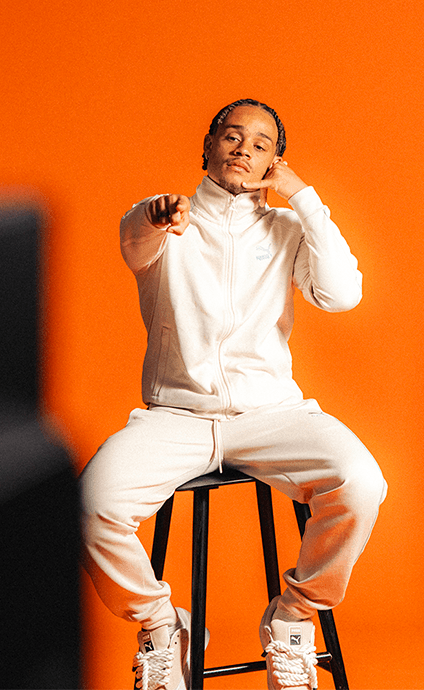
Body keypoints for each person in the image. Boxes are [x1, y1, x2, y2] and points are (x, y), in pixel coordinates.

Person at [80, 98, 387, 690]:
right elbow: (135, 236)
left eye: (261, 144)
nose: (244, 148)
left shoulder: (289, 230)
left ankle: (294, 618)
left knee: (361, 483)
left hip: (271, 414)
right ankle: (162, 626)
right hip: (176, 416)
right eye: (231, 135)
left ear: (275, 162)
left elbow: (341, 294)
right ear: (208, 146)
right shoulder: (165, 223)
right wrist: (155, 213)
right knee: (92, 503)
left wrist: (303, 197)